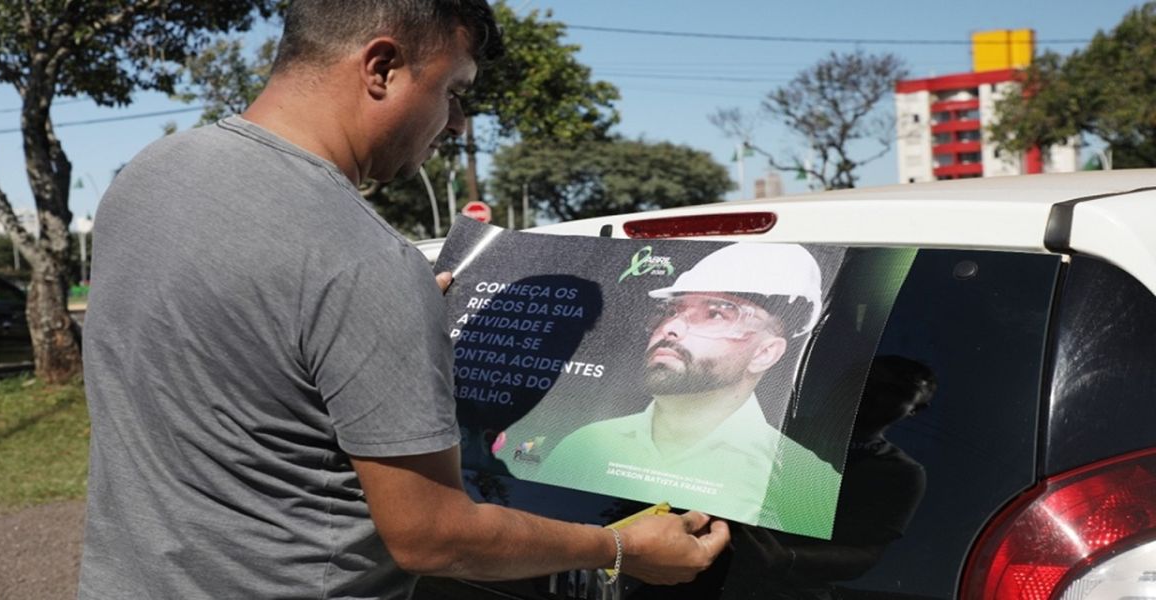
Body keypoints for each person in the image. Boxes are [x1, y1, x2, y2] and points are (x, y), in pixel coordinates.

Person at [77, 2, 728, 599]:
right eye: (453, 91)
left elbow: (237, 355)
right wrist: (620, 547)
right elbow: (432, 537)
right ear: (382, 67)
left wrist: (381, 325)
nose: (457, 122)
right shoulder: (363, 263)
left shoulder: (149, 175)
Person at [537, 243, 839, 527]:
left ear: (765, 353)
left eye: (716, 313)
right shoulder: (583, 446)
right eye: (672, 311)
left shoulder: (803, 480)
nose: (671, 327)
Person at [728, 355, 937, 599]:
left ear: (916, 408)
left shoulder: (899, 473)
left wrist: (785, 558)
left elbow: (867, 553)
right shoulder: (776, 429)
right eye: (867, 381)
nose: (874, 394)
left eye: (895, 391)